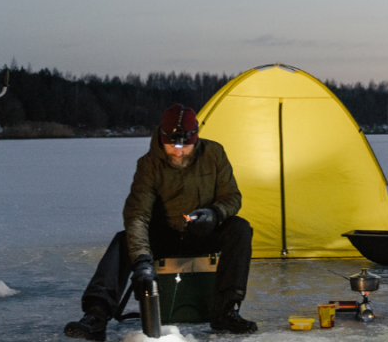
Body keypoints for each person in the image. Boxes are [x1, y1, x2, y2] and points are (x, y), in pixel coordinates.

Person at [64, 104, 257, 340]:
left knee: (240, 229)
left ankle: (226, 311)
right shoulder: (148, 165)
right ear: (161, 138)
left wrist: (214, 214)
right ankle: (96, 314)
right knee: (124, 240)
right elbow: (137, 215)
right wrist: (143, 261)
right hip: (164, 235)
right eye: (172, 147)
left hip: (202, 232)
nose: (178, 153)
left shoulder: (214, 154)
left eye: (185, 146)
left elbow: (232, 197)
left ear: (195, 139)